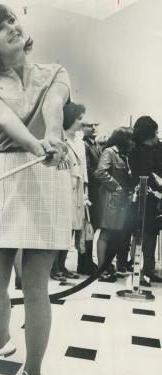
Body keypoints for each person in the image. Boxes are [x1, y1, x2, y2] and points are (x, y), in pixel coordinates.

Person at [0, 5, 72, 375]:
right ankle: (0, 341)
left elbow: (55, 109)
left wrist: (55, 139)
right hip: (8, 172)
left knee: (35, 286)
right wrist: (35, 144)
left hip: (47, 172)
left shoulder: (55, 72)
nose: (11, 26)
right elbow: (7, 120)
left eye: (11, 20)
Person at [51, 102, 88, 281]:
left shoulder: (79, 142)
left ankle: (62, 265)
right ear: (70, 119)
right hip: (63, 187)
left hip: (77, 189)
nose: (82, 122)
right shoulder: (61, 138)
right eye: (79, 118)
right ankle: (54, 267)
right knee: (61, 228)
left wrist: (84, 188)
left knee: (72, 228)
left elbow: (83, 168)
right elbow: (60, 165)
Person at [95, 127, 133, 282]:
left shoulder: (123, 155)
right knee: (106, 233)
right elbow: (100, 172)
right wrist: (116, 187)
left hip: (119, 200)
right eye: (131, 139)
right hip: (110, 200)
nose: (133, 143)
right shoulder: (110, 152)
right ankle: (101, 269)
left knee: (115, 234)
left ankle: (106, 266)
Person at [129, 116, 162, 283]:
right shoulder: (135, 152)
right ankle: (138, 271)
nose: (157, 137)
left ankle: (148, 269)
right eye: (155, 133)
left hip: (155, 200)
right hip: (142, 199)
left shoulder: (157, 148)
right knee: (140, 235)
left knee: (151, 235)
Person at [77, 120, 101, 274]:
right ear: (82, 128)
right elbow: (88, 169)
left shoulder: (96, 145)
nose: (93, 128)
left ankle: (88, 262)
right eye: (89, 125)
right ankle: (84, 264)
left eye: (95, 125)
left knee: (90, 228)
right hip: (89, 192)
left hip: (95, 192)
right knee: (86, 228)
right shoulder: (84, 145)